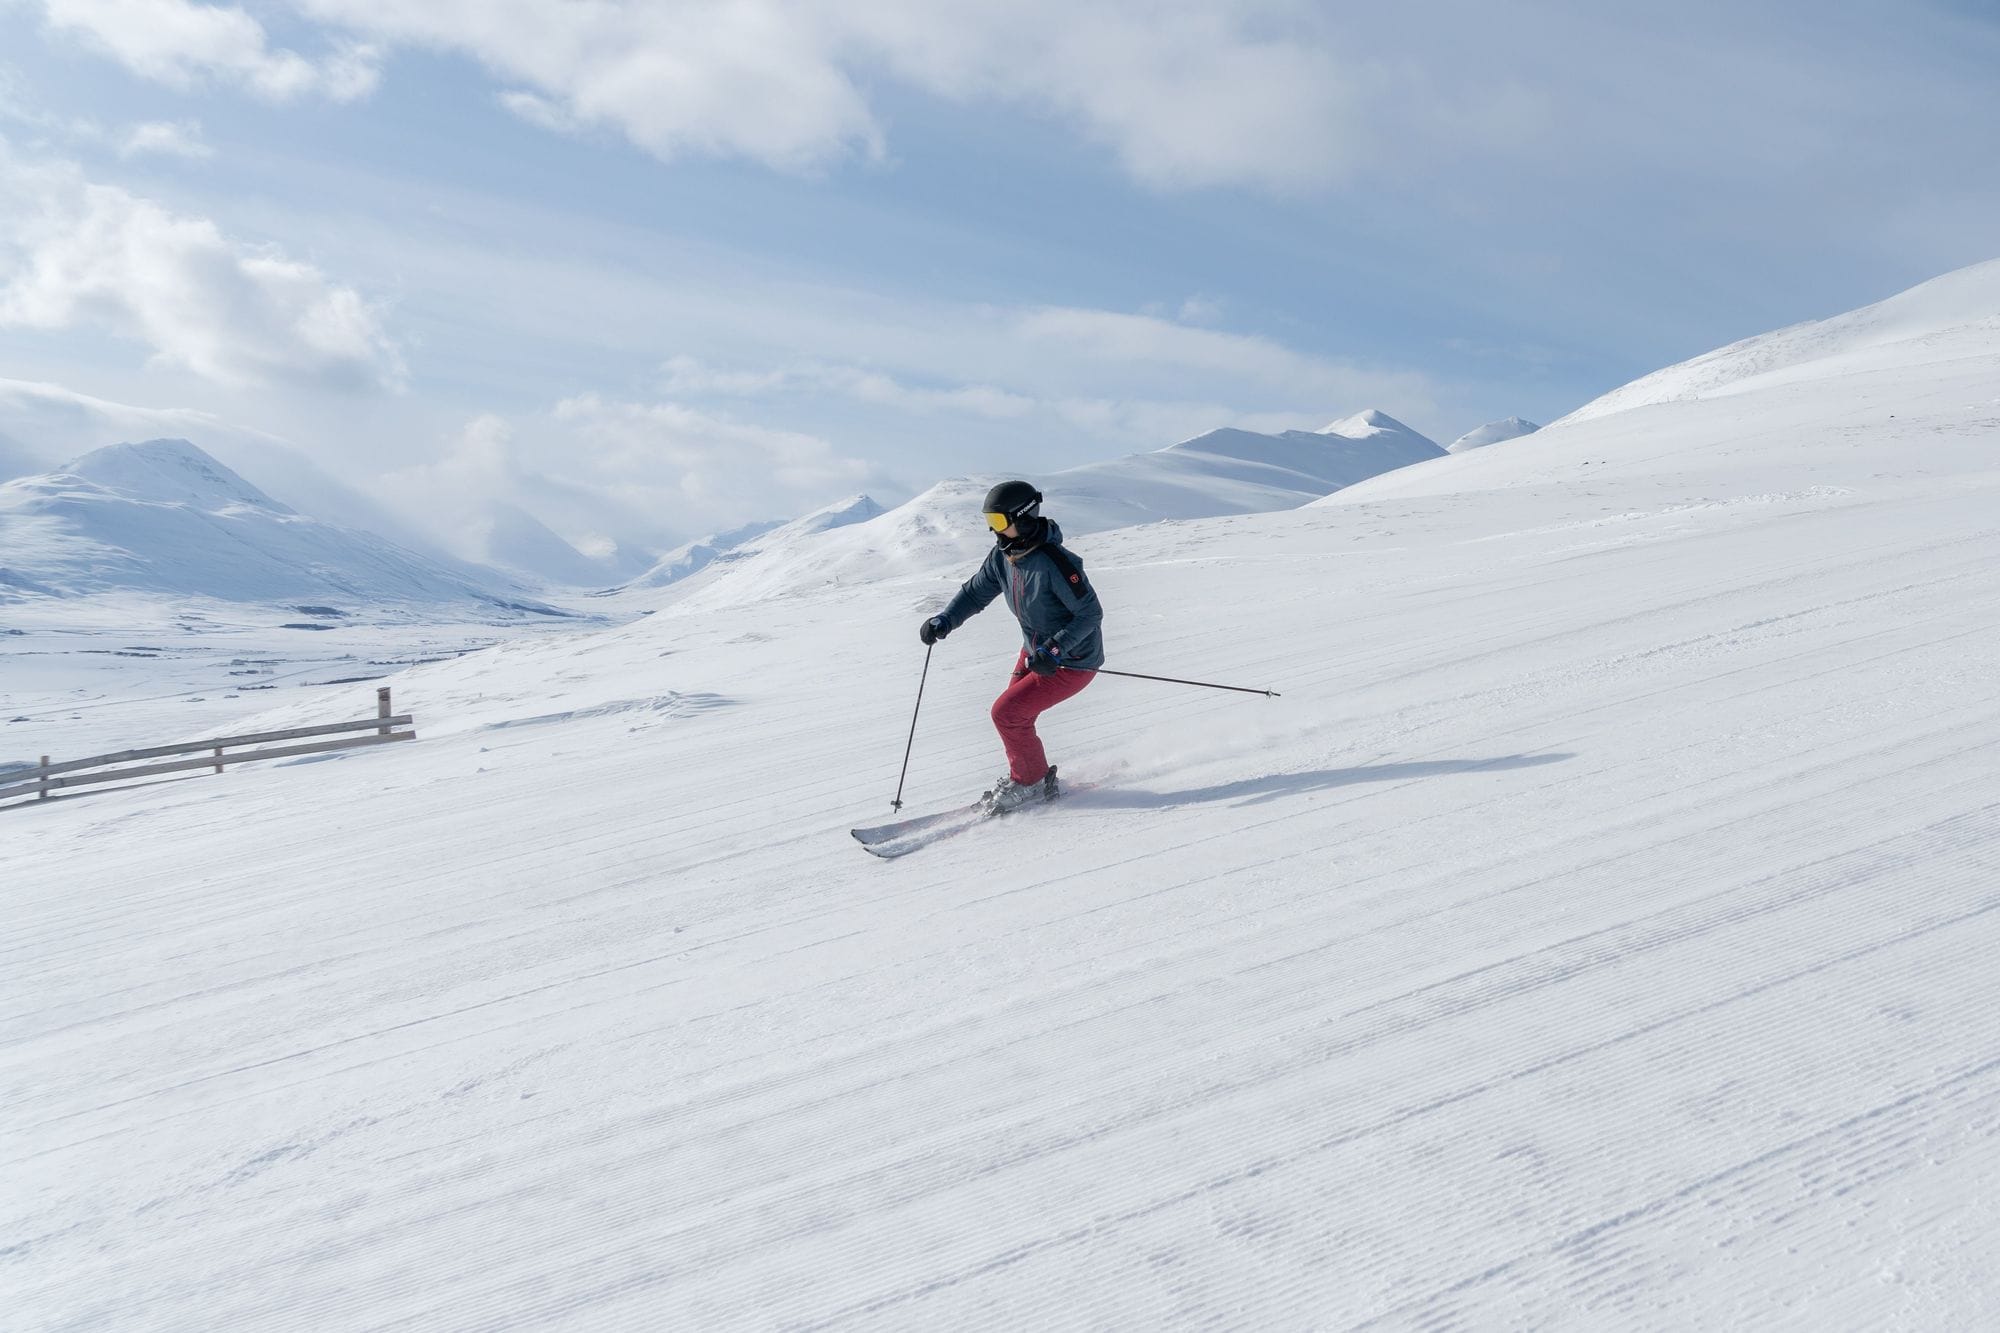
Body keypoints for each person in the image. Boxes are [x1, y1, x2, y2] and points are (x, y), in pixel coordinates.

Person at [919, 480, 1104, 813]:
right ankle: (1028, 776)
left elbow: (1090, 613)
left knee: (1007, 714)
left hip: (1072, 659)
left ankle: (1029, 782)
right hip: (1037, 652)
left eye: (1000, 523)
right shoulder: (1004, 556)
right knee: (1014, 715)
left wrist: (1056, 650)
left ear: (1024, 517)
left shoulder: (1055, 563)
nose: (995, 532)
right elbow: (976, 592)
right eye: (991, 523)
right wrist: (945, 620)